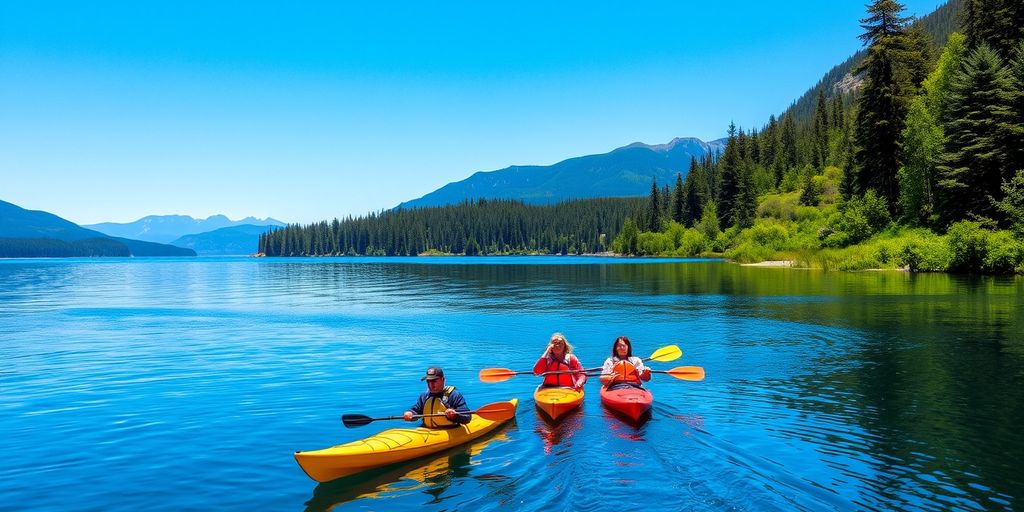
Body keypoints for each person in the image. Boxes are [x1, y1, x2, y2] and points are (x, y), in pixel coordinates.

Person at [403, 366, 471, 428]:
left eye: (434, 381)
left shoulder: (454, 395)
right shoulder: (424, 396)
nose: (430, 385)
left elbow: (467, 418)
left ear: (443, 379)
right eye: (428, 382)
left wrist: (455, 415)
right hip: (428, 430)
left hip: (450, 430)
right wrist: (410, 413)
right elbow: (416, 410)